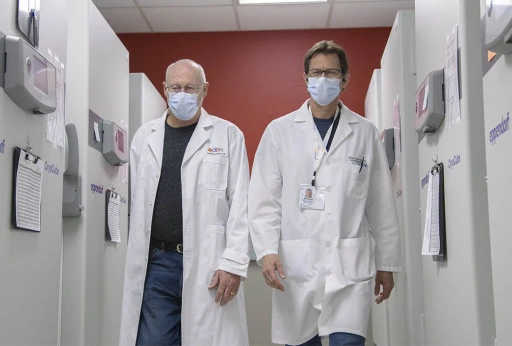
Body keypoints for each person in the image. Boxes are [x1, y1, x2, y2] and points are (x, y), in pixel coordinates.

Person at [248, 41, 401, 346]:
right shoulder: (279, 132)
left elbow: (380, 202)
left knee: (349, 340)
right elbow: (264, 200)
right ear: (305, 78)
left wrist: (387, 263)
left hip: (348, 266)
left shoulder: (365, 132)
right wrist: (266, 251)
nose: (323, 79)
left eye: (331, 73)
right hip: (297, 267)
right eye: (316, 72)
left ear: (345, 80)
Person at [119, 60, 250, 346]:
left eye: (190, 88)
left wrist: (234, 264)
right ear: (165, 89)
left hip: (209, 263)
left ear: (205, 90)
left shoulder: (228, 136)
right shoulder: (145, 137)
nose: (182, 94)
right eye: (176, 87)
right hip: (157, 263)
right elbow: (135, 204)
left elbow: (242, 205)